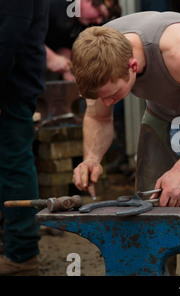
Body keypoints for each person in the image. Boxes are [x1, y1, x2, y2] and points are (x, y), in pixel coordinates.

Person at [71, 11, 180, 275]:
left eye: (113, 95)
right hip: (162, 112)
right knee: (145, 216)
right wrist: (92, 158)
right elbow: (97, 116)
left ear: (132, 66)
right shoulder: (98, 55)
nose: (107, 103)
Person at [0, 0, 50, 276]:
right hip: (12, 84)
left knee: (13, 166)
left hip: (11, 89)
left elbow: (9, 35)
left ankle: (21, 254)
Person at [45, 0, 122, 81]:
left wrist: (66, 71)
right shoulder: (54, 4)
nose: (98, 21)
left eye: (102, 18)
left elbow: (64, 43)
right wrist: (51, 58)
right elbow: (31, 35)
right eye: (100, 14)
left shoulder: (85, 22)